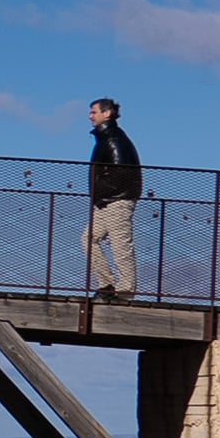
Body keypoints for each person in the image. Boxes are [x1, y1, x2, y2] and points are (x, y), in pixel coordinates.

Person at [84, 98, 142, 297]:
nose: (91, 116)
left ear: (106, 113)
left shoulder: (114, 139)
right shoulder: (107, 138)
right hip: (104, 201)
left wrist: (104, 192)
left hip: (117, 200)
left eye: (94, 112)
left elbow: (122, 173)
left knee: (120, 243)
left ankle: (126, 288)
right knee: (89, 239)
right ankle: (107, 283)